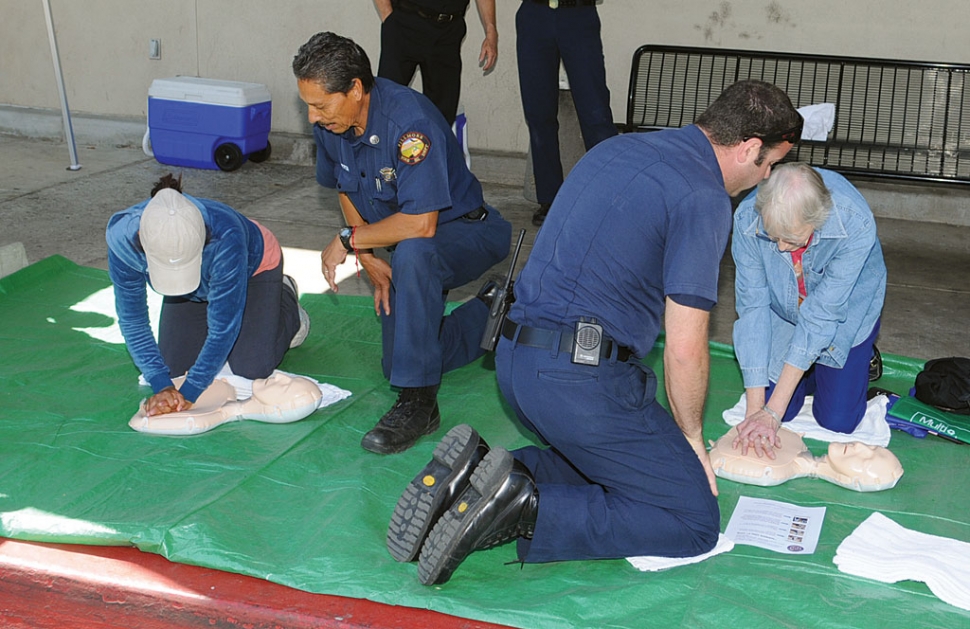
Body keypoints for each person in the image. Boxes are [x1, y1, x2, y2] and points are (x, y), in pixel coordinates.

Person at [389, 79, 803, 585]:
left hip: (517, 367)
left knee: (613, 466)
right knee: (691, 517)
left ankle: (473, 476)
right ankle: (525, 507)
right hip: (578, 386)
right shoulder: (704, 196)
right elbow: (685, 347)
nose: (764, 178)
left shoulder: (618, 147)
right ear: (750, 149)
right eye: (769, 165)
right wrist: (692, 438)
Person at [291, 32, 512, 455]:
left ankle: (420, 404)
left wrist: (348, 239)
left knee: (413, 257)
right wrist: (368, 256)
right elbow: (345, 185)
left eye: (320, 105)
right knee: (399, 361)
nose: (314, 117)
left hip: (467, 230)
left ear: (355, 89)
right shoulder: (332, 122)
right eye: (308, 106)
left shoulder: (409, 123)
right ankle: (493, 312)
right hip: (403, 238)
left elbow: (422, 224)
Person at [107, 174, 309, 418]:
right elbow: (133, 320)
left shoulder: (226, 237)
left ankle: (286, 300)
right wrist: (163, 385)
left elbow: (223, 326)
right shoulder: (122, 239)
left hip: (253, 270)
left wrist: (191, 392)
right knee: (172, 369)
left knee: (252, 368)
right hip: (195, 288)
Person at [730, 163, 887, 459]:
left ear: (817, 220)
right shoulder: (746, 219)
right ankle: (809, 366)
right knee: (782, 411)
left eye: (792, 239)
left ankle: (853, 358)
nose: (781, 248)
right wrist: (756, 411)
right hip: (784, 309)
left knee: (837, 421)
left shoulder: (855, 223)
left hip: (844, 312)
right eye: (773, 236)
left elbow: (821, 315)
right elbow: (752, 308)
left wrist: (771, 412)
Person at [516, 0, 618, 227]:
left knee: (596, 113)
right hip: (535, 13)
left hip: (578, 14)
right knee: (538, 112)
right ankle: (549, 198)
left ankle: (611, 193)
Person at [375, 0, 497, 125]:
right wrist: (388, 17)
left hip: (448, 32)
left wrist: (490, 30)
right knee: (386, 104)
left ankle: (436, 144)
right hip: (406, 22)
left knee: (442, 115)